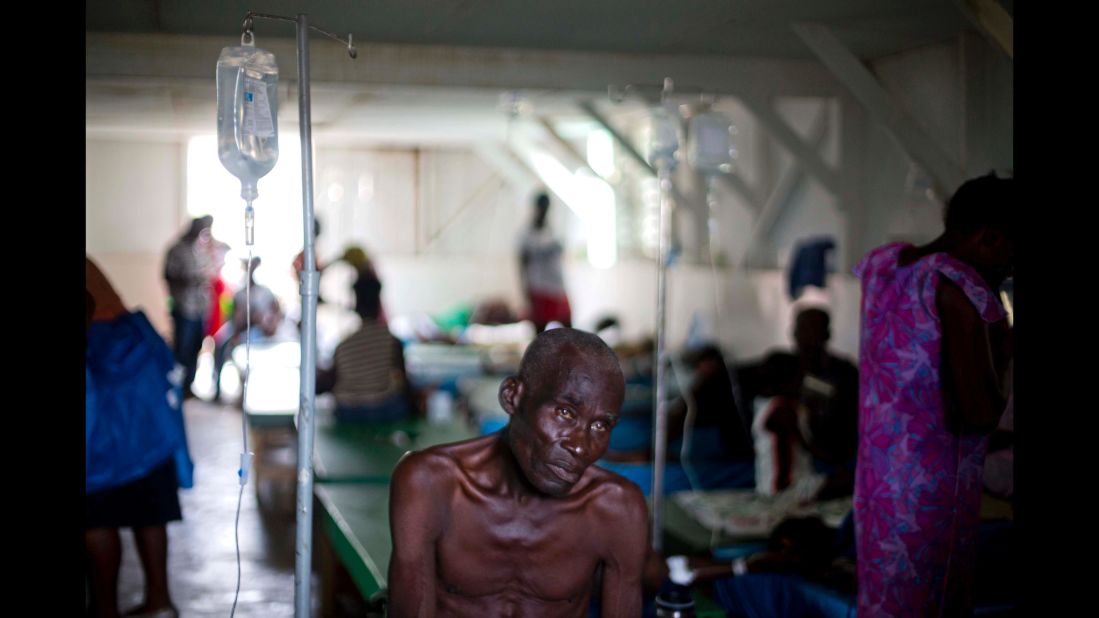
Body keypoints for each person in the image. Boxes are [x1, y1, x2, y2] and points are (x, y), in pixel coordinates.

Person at [387, 328, 648, 617]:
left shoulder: (616, 509)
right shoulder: (429, 484)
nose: (580, 447)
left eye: (600, 426)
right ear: (513, 396)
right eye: (565, 413)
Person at [852, 173, 1014, 616]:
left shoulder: (884, 265)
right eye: (1010, 256)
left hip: (878, 487)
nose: (1009, 271)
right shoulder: (959, 286)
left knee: (884, 603)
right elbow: (979, 412)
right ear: (990, 237)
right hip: (929, 504)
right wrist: (1003, 346)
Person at [86, 257, 192, 618]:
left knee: (96, 510)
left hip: (100, 387)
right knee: (148, 501)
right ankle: (159, 602)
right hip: (140, 382)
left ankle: (105, 611)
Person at [316, 272, 416, 422]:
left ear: (356, 304)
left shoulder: (343, 345)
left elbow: (331, 381)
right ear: (378, 303)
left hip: (348, 411)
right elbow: (405, 383)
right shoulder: (391, 341)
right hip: (383, 408)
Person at [163, 216, 218, 397]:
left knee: (196, 347)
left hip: (200, 308)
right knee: (182, 348)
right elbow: (168, 275)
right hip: (184, 306)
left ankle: (189, 386)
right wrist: (189, 281)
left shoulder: (200, 249)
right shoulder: (177, 249)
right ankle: (177, 386)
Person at [519, 192, 571, 332]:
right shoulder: (527, 234)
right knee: (540, 330)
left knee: (567, 325)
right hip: (539, 289)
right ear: (536, 207)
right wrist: (526, 290)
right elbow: (522, 263)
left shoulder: (553, 232)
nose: (544, 210)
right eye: (542, 206)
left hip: (557, 287)